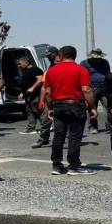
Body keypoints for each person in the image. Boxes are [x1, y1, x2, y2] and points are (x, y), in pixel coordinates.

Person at [43, 46, 97, 175]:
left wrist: (50, 108)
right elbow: (86, 90)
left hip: (58, 105)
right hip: (75, 105)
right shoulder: (81, 69)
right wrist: (92, 107)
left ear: (60, 56)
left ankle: (56, 165)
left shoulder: (51, 71)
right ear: (75, 56)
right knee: (74, 137)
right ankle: (74, 166)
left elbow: (48, 92)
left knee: (58, 136)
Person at [32, 45, 60, 149]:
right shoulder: (50, 67)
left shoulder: (62, 64)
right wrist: (41, 100)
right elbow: (44, 85)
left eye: (50, 55)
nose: (48, 57)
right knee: (45, 119)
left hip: (61, 97)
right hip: (50, 97)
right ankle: (44, 138)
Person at [80, 48, 111, 134]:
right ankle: (93, 127)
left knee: (108, 106)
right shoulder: (84, 63)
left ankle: (109, 126)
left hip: (105, 87)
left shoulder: (105, 62)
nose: (97, 59)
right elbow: (81, 76)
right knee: (92, 108)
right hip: (91, 88)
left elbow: (108, 73)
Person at [17, 58, 44, 135]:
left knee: (37, 111)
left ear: (26, 62)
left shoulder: (36, 69)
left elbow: (40, 79)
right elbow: (26, 83)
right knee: (29, 111)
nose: (19, 66)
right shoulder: (25, 71)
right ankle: (31, 128)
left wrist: (33, 87)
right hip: (28, 95)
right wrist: (22, 93)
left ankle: (45, 126)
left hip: (35, 95)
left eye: (20, 64)